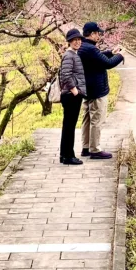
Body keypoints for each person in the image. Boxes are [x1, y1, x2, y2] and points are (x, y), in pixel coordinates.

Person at [78, 21, 123, 160]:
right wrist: (120, 56)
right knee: (97, 119)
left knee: (87, 118)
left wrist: (110, 52)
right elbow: (108, 64)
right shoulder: (91, 49)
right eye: (98, 33)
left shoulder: (83, 47)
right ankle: (95, 149)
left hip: (88, 88)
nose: (99, 36)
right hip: (97, 89)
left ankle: (86, 147)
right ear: (92, 34)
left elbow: (99, 58)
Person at [57, 27, 86, 166]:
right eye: (74, 40)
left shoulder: (74, 54)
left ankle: (64, 155)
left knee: (68, 126)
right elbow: (65, 75)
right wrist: (75, 90)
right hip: (71, 95)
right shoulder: (69, 55)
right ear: (69, 41)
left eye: (79, 39)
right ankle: (69, 156)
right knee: (70, 126)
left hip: (70, 95)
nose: (77, 42)